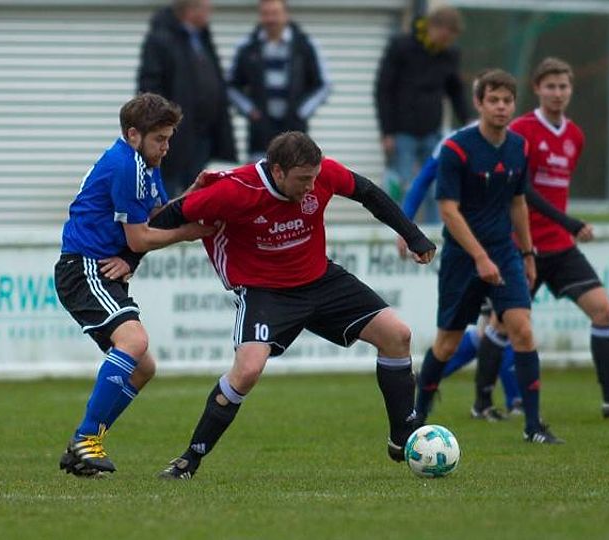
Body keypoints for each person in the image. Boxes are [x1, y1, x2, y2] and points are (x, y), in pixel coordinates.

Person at [147, 131, 437, 479]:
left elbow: (368, 193)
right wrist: (126, 257)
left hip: (320, 280)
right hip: (265, 291)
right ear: (278, 171)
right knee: (247, 370)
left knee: (397, 335)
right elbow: (167, 217)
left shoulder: (322, 174)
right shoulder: (235, 190)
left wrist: (413, 235)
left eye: (314, 178)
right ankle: (189, 460)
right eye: (302, 180)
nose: (311, 187)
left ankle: (401, 437)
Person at [55, 93, 216, 476]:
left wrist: (191, 195)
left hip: (99, 268)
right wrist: (189, 232)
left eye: (168, 138)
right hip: (84, 268)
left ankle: (80, 446)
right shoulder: (125, 165)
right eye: (160, 138)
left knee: (143, 367)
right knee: (133, 342)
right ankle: (87, 438)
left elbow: (156, 217)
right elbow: (140, 238)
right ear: (133, 135)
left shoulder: (144, 163)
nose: (166, 147)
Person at [413, 69, 564, 444]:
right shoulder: (456, 149)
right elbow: (448, 210)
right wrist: (480, 257)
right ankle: (417, 414)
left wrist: (527, 253)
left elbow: (518, 202)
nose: (501, 107)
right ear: (478, 103)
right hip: (463, 257)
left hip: (504, 252)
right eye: (493, 100)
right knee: (447, 344)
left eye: (507, 101)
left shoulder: (518, 147)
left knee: (522, 329)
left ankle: (533, 426)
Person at [506, 57, 609, 418]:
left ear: (571, 90)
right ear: (537, 89)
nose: (557, 93)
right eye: (551, 86)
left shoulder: (575, 136)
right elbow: (521, 190)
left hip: (560, 246)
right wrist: (569, 222)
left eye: (563, 86)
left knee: (604, 310)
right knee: (503, 327)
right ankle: (488, 402)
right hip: (523, 245)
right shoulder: (521, 130)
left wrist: (566, 227)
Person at [374, 5, 467, 223]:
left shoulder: (449, 54)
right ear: (435, 27)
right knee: (403, 187)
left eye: (451, 39)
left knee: (435, 187)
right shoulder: (401, 46)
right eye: (445, 36)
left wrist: (469, 121)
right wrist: (387, 131)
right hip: (401, 132)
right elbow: (383, 89)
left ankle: (434, 234)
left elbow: (455, 90)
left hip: (432, 132)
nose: (447, 42)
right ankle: (399, 231)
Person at [137, 0, 236, 196]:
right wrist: (162, 124)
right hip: (175, 136)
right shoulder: (162, 39)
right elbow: (150, 86)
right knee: (169, 193)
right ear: (191, 10)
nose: (210, 11)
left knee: (197, 194)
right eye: (206, 8)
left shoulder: (202, 39)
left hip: (203, 135)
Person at [228, 0, 331, 162]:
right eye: (265, 14)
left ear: (286, 15)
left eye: (275, 13)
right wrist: (250, 110)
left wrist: (301, 112)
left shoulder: (305, 46)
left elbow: (323, 85)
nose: (271, 19)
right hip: (259, 135)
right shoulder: (247, 47)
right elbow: (231, 87)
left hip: (295, 133)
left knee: (294, 172)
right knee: (258, 175)